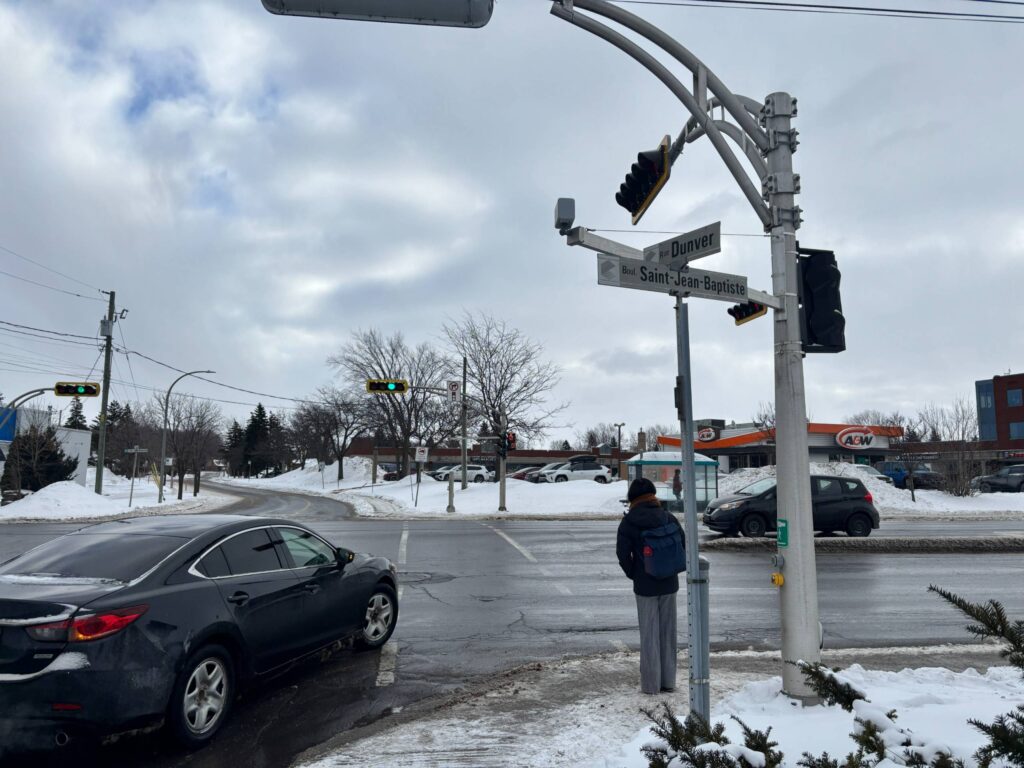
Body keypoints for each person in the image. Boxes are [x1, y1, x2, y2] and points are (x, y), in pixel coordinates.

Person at [616, 476, 684, 694]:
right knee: (668, 633)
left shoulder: (629, 522)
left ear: (632, 498)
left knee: (649, 635)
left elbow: (622, 553)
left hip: (644, 585)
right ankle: (668, 682)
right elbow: (682, 544)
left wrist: (634, 573)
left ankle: (651, 685)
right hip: (669, 584)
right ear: (653, 495)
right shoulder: (668, 517)